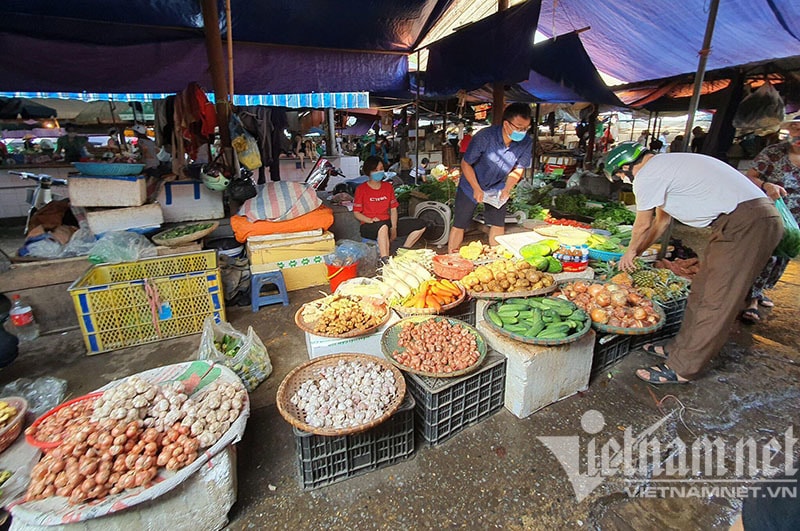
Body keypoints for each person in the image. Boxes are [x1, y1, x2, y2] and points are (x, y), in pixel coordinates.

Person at [606, 141, 783, 385]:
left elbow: (643, 224)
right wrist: (636, 253)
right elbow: (661, 224)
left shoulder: (647, 175)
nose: (624, 182)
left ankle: (682, 368)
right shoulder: (665, 167)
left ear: (626, 167)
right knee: (700, 291)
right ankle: (679, 348)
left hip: (747, 223)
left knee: (717, 299)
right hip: (740, 221)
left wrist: (629, 252)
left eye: (620, 177)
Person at [447, 103, 533, 253]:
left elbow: (518, 168)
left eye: (526, 128)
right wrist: (476, 188)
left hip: (497, 187)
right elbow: (466, 164)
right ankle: (450, 258)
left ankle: (496, 259)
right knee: (460, 224)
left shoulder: (526, 143)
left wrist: (507, 189)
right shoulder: (485, 137)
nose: (522, 131)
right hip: (470, 185)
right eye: (519, 127)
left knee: (498, 223)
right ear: (506, 124)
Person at [739, 114, 799, 323]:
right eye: (795, 128)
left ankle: (761, 289)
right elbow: (750, 177)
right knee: (766, 254)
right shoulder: (774, 152)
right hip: (769, 214)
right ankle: (751, 300)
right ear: (789, 131)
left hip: (796, 218)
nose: (798, 134)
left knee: (783, 256)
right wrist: (766, 185)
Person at [352, 156, 427, 262]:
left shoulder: (388, 187)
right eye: (375, 170)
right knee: (383, 227)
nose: (379, 172)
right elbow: (356, 213)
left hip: (387, 223)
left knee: (421, 224)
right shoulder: (361, 189)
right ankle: (385, 261)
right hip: (368, 225)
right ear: (368, 172)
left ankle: (402, 252)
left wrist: (394, 228)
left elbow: (393, 209)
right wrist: (370, 220)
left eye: (381, 169)